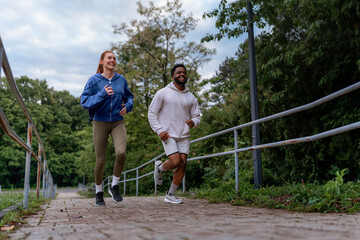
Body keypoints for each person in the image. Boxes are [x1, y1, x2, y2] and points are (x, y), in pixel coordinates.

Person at [81, 50, 134, 206]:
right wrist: (102, 94)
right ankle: (99, 192)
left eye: (114, 58)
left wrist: (128, 106)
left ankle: (114, 185)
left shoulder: (121, 80)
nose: (113, 60)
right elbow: (85, 101)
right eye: (109, 58)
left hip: (118, 121)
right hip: (100, 122)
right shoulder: (94, 81)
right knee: (100, 161)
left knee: (121, 153)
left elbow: (129, 97)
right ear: (101, 61)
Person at [148, 63, 201, 204]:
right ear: (173, 76)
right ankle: (160, 168)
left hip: (184, 134)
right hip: (168, 134)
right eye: (178, 72)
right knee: (175, 161)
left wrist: (194, 122)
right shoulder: (163, 93)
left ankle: (170, 194)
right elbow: (152, 112)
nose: (182, 74)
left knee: (183, 163)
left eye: (184, 72)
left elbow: (197, 116)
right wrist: (159, 131)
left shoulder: (191, 97)